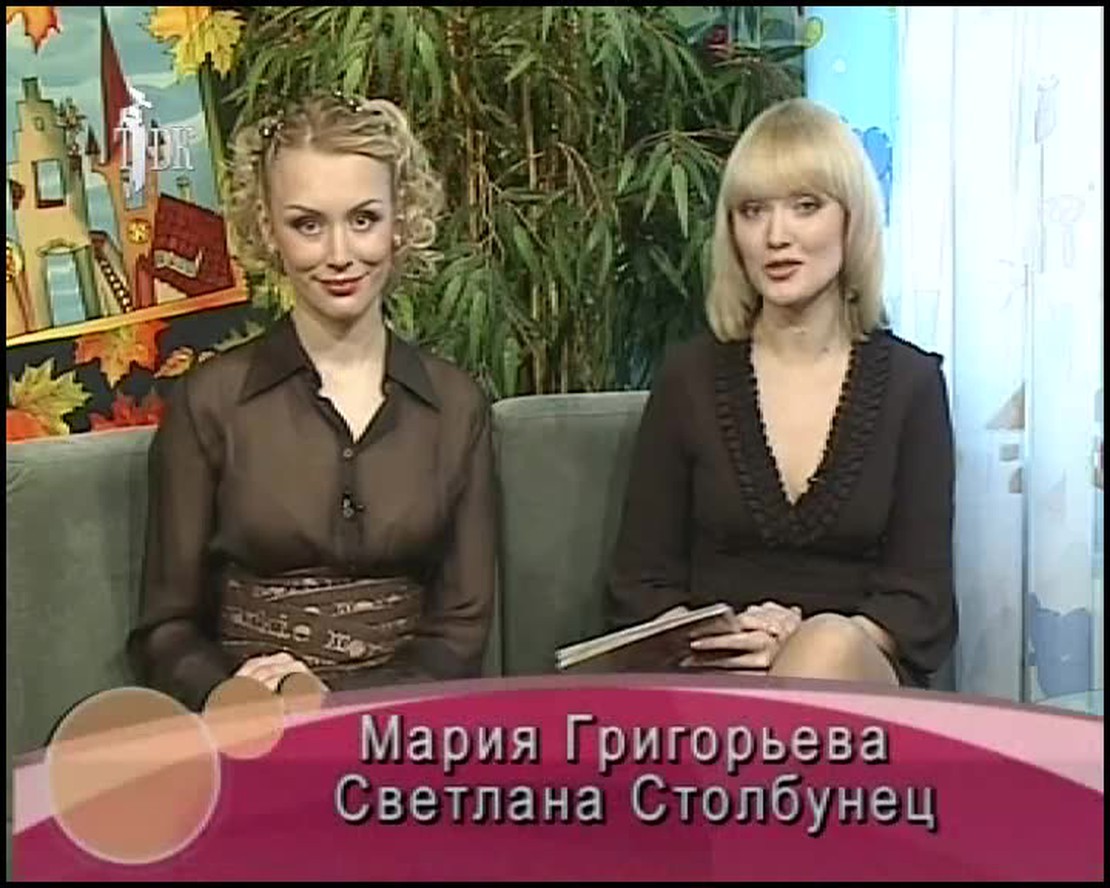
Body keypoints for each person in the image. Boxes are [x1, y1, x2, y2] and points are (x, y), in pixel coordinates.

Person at [128, 93, 495, 710]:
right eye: (308, 225)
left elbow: (461, 633)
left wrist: (332, 704)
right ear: (268, 230)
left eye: (364, 219)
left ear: (401, 220)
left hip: (404, 730)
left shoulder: (458, 407)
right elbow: (165, 630)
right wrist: (235, 697)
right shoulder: (208, 402)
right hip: (248, 726)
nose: (339, 255)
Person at [607, 98, 957, 687]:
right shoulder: (688, 380)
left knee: (825, 647)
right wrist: (733, 638)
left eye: (805, 207)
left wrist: (801, 644)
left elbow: (920, 598)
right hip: (718, 671)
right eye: (753, 211)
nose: (776, 236)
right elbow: (641, 584)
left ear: (850, 221)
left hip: (859, 682)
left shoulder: (912, 386)